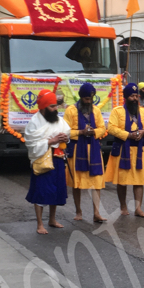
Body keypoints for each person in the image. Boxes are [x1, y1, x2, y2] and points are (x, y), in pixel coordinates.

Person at [24, 90, 70, 234]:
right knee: (41, 192)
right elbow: (31, 144)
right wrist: (51, 141)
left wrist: (64, 138)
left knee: (55, 190)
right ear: (43, 108)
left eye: (56, 106)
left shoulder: (58, 120)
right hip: (42, 161)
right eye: (52, 106)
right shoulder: (33, 123)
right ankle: (39, 224)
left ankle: (52, 219)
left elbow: (67, 132)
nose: (55, 109)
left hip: (57, 160)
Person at [105, 83, 144, 217]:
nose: (135, 98)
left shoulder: (143, 111)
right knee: (123, 180)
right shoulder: (117, 111)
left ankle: (138, 208)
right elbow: (111, 128)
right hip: (123, 150)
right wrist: (128, 135)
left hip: (139, 150)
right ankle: (123, 207)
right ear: (126, 97)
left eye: (136, 96)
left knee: (139, 180)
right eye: (132, 96)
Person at [64, 83, 106, 223]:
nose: (89, 101)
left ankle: (96, 213)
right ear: (81, 97)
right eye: (86, 99)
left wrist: (93, 131)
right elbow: (65, 131)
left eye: (90, 99)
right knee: (77, 183)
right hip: (77, 149)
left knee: (97, 182)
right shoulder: (71, 110)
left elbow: (102, 128)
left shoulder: (96, 110)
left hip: (93, 148)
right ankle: (78, 211)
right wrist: (80, 132)